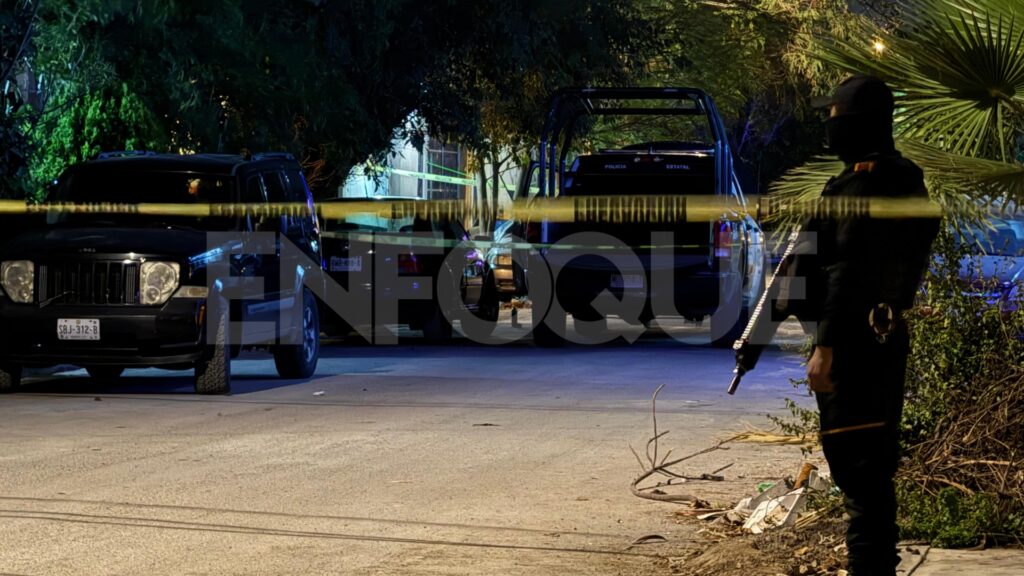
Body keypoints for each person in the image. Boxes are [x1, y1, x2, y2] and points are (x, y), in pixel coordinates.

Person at [801, 75, 940, 575]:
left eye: (834, 116)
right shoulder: (904, 177)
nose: (829, 125)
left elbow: (849, 269)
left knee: (860, 474)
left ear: (856, 122)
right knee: (871, 472)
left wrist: (826, 347)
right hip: (880, 338)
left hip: (855, 348)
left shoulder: (865, 182)